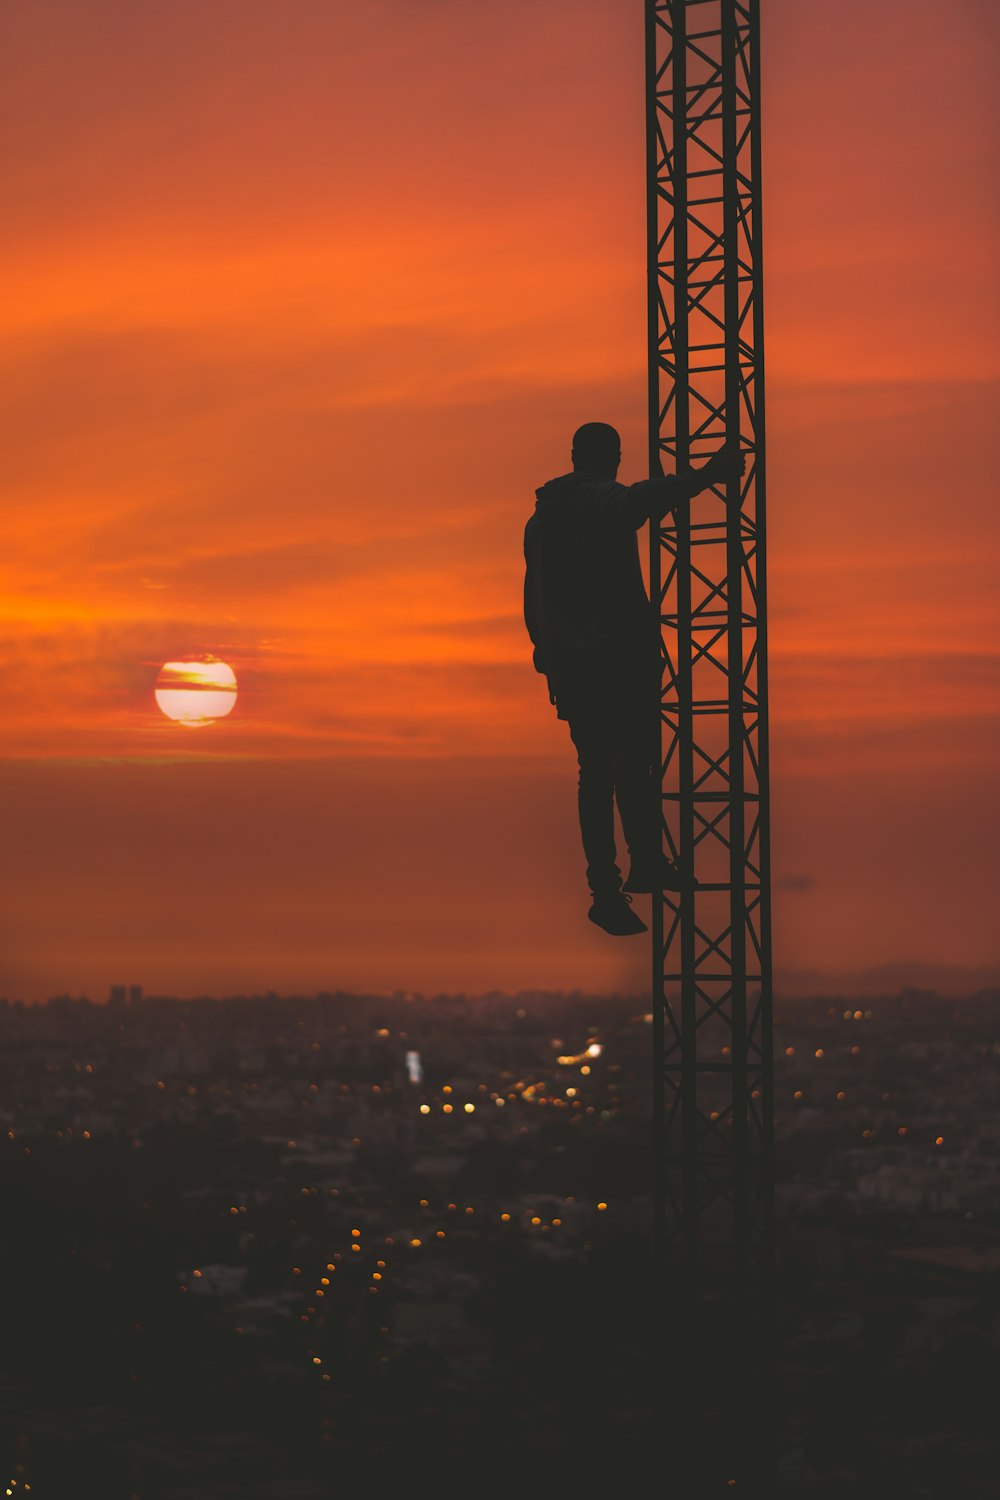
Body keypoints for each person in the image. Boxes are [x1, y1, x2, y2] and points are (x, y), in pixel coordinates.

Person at [524, 421, 745, 936]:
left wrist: (549, 653)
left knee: (602, 769)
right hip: (611, 661)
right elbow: (637, 502)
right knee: (627, 764)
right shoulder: (595, 499)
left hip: (574, 666)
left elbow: (536, 597)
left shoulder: (541, 520)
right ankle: (635, 867)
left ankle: (618, 880)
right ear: (610, 458)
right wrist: (707, 475)